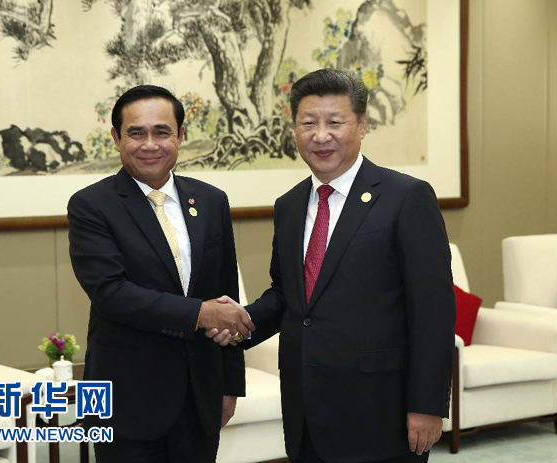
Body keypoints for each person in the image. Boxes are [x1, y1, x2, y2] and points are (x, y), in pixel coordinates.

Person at [210, 69, 456, 462]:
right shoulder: (289, 206)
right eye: (308, 123)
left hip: (381, 410)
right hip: (305, 409)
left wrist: (427, 404)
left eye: (335, 122)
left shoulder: (406, 197)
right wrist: (240, 322)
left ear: (362, 125)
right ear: (295, 128)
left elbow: (433, 311)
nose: (320, 136)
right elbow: (287, 296)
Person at [68, 85, 254, 463]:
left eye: (162, 132)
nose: (150, 144)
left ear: (180, 136)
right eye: (136, 133)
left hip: (199, 398)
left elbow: (226, 299)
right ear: (117, 138)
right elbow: (111, 294)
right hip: (126, 401)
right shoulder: (91, 205)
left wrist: (230, 385)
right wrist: (200, 313)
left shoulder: (211, 201)